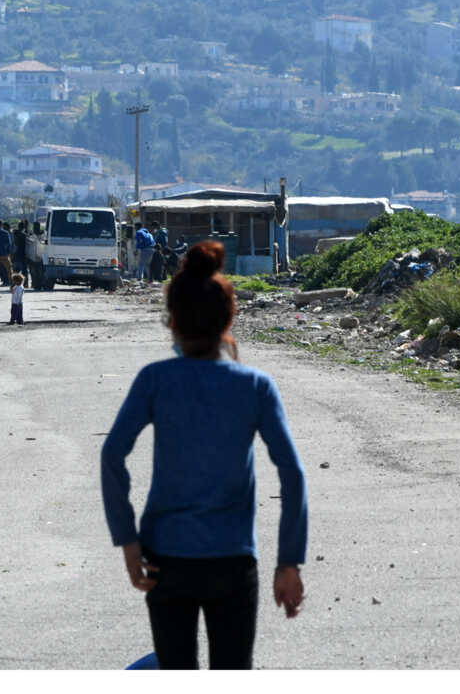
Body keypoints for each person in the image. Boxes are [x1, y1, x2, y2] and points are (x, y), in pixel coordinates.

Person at [101, 240, 307, 670]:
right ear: (228, 319)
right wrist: (288, 562)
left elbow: (112, 455)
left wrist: (128, 541)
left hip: (165, 562)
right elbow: (292, 473)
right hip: (232, 562)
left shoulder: (155, 380)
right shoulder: (255, 387)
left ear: (173, 322)